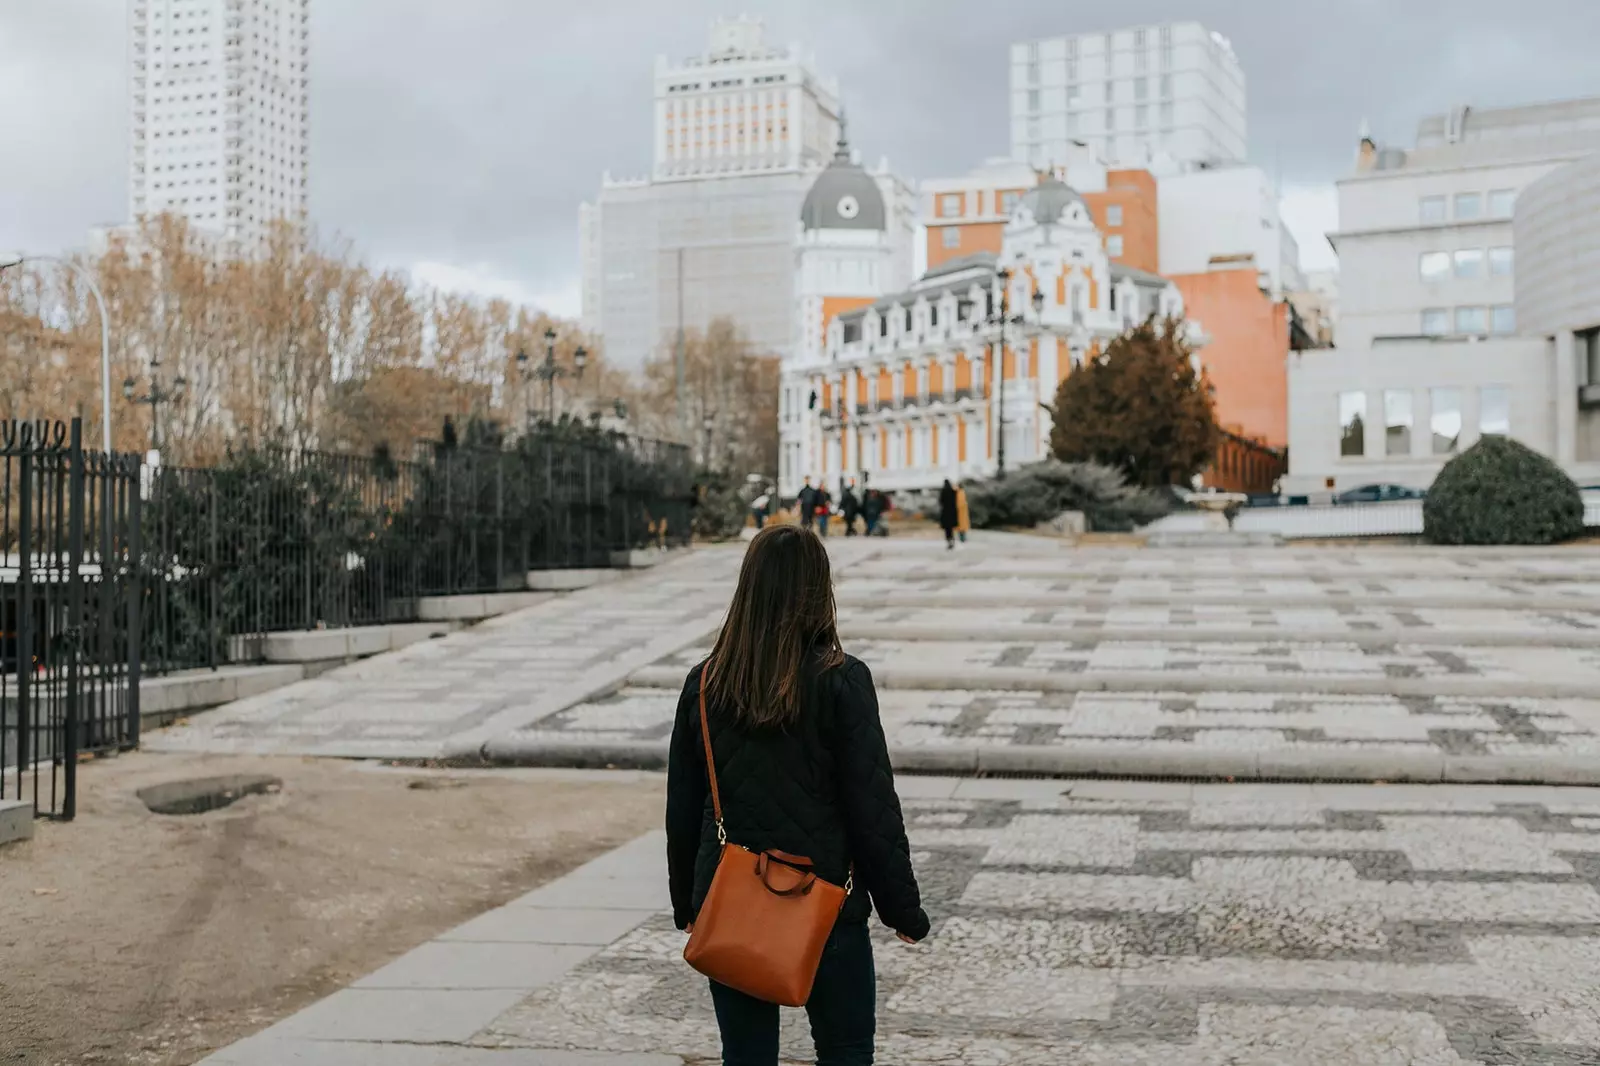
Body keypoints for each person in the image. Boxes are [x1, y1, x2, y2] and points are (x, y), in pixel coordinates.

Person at [667, 526, 929, 1066]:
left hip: (734, 903)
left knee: (746, 1056)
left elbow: (683, 808)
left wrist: (688, 904)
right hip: (828, 902)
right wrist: (902, 909)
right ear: (818, 591)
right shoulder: (843, 681)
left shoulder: (706, 682)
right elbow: (873, 808)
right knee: (847, 1052)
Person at [938, 479, 959, 550]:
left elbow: (940, 501)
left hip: (945, 512)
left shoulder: (943, 491)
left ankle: (948, 541)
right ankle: (952, 540)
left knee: (947, 529)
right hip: (952, 512)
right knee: (951, 528)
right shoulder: (953, 491)